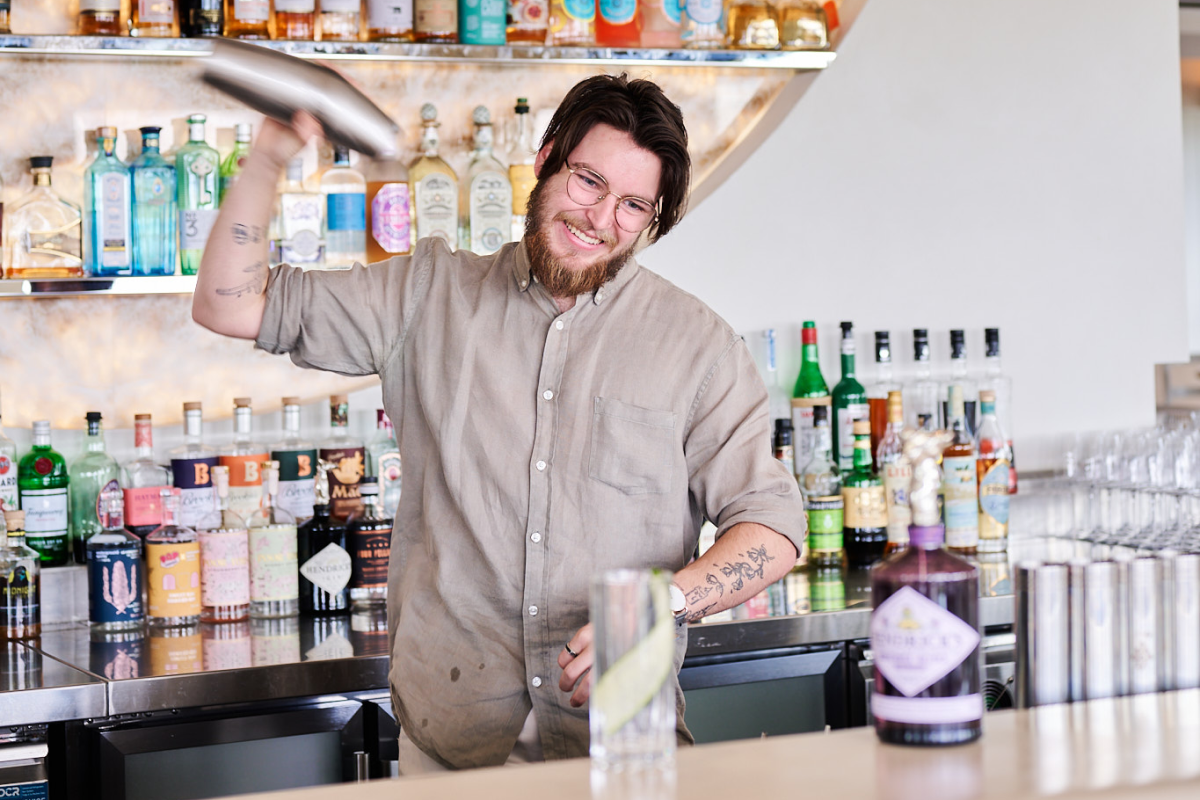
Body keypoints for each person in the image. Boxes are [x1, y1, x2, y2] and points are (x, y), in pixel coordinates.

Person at [192, 74, 806, 772]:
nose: (601, 218)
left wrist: (662, 604)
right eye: (587, 182)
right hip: (451, 750)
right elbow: (228, 303)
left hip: (623, 744)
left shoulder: (697, 346)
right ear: (545, 160)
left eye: (633, 205)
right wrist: (269, 156)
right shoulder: (426, 293)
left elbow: (775, 528)